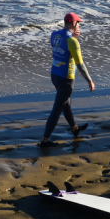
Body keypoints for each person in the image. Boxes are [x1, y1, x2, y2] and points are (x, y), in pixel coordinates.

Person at [40, 13, 94, 147]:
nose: (79, 26)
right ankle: (45, 141)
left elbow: (63, 48)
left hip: (54, 75)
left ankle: (75, 129)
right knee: (57, 110)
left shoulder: (54, 34)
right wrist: (89, 80)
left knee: (66, 104)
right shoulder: (73, 41)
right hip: (66, 79)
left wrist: (73, 37)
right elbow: (80, 65)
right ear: (74, 23)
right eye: (78, 23)